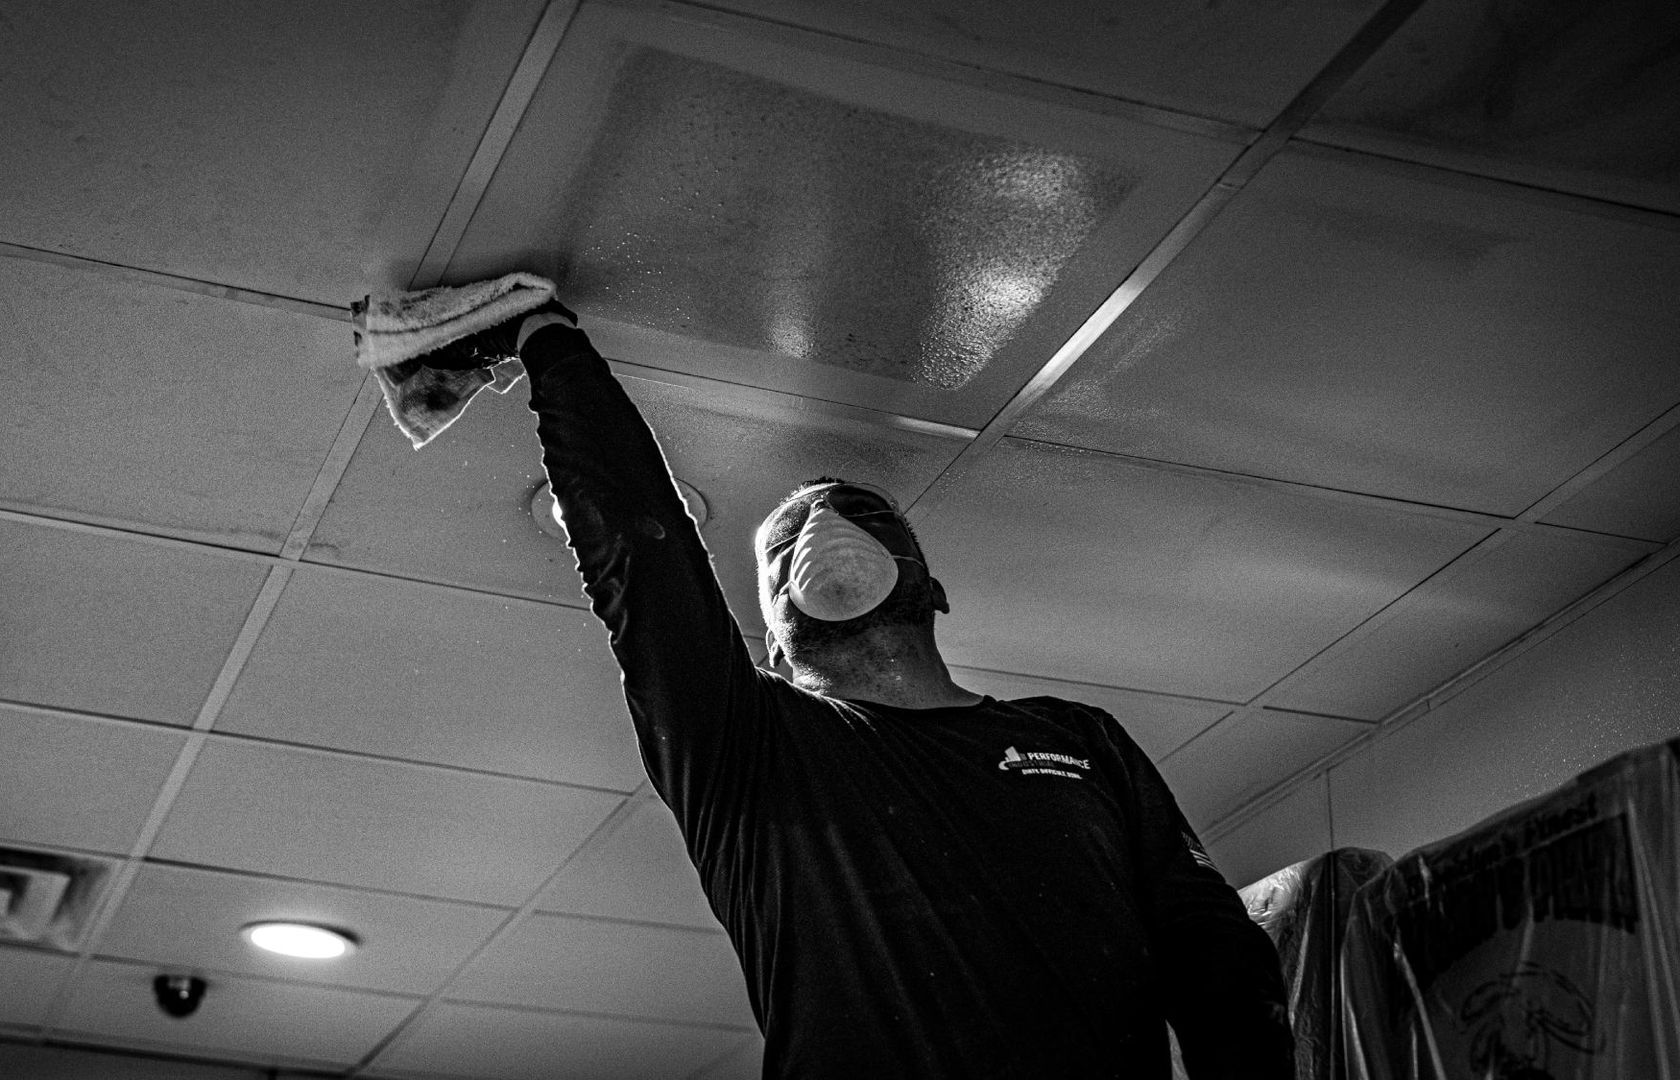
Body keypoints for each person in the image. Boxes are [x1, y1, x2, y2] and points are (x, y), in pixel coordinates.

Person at [420, 299, 1295, 1079]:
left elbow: (1212, 948)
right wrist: (549, 342)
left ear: (933, 588)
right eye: (784, 544)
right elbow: (639, 552)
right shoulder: (746, 744)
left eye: (865, 515)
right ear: (771, 638)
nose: (823, 526)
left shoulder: (1079, 737)